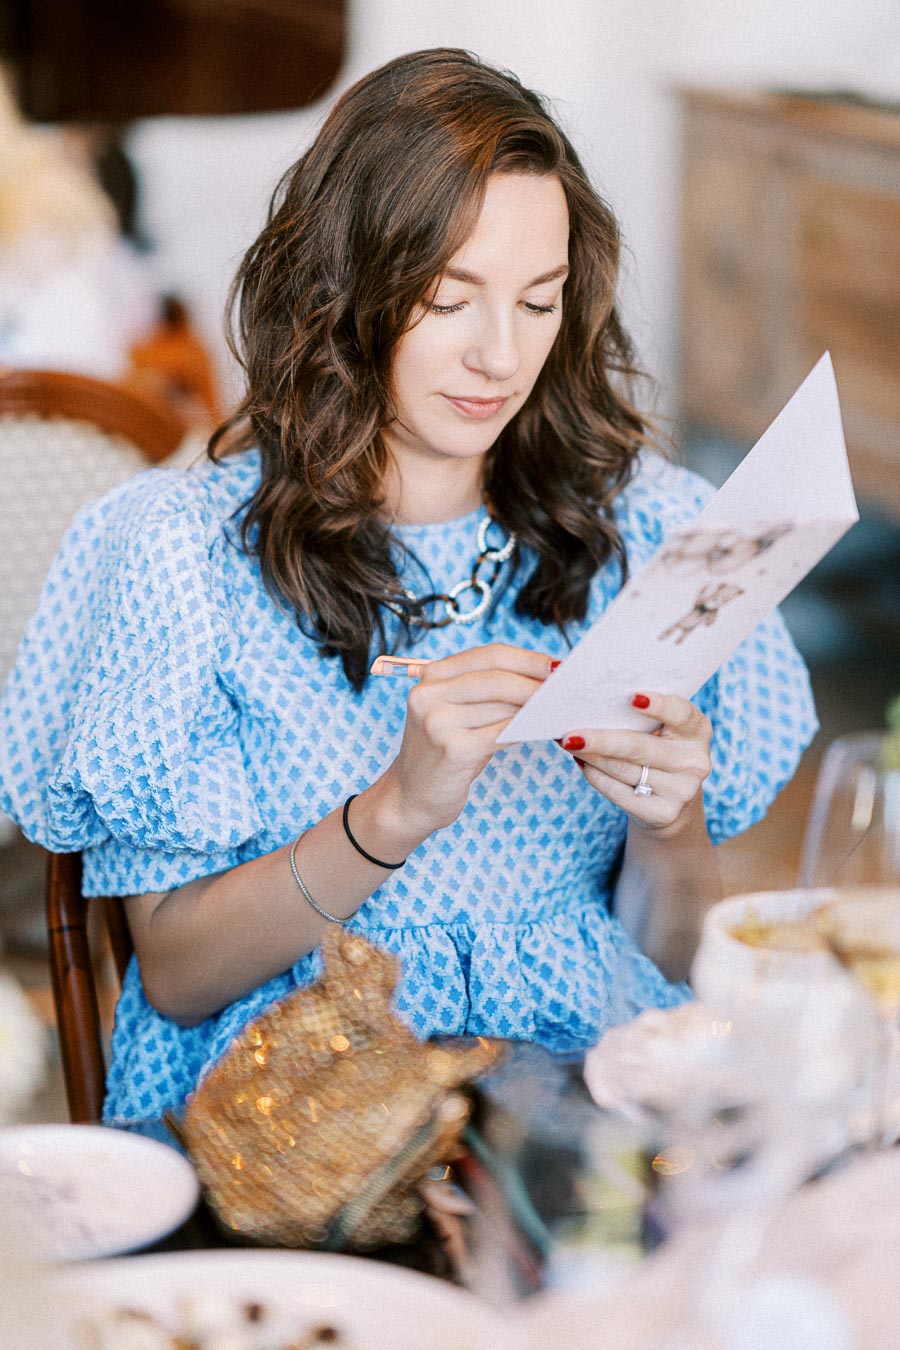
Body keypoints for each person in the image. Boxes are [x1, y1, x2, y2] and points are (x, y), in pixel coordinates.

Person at [0, 49, 816, 1122]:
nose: (499, 356)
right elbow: (179, 974)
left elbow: (665, 967)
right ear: (344, 287)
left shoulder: (648, 531)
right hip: (300, 1128)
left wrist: (671, 829)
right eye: (447, 298)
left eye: (539, 301)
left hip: (584, 1119)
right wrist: (391, 812)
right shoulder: (183, 555)